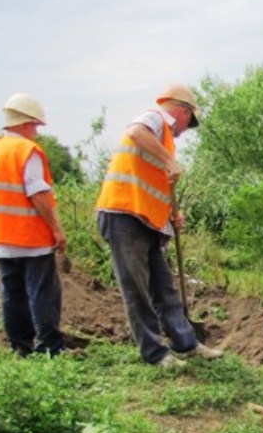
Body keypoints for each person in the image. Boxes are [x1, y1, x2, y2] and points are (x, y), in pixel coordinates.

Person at [95, 84, 222, 368]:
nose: (186, 129)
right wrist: (169, 161)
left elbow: (150, 188)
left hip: (145, 221)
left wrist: (169, 218)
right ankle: (154, 354)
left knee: (163, 287)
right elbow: (134, 132)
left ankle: (185, 344)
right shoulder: (155, 118)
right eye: (189, 121)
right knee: (136, 289)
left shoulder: (164, 140)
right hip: (122, 215)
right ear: (183, 110)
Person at [0, 93, 67, 356]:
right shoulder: (27, 151)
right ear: (24, 124)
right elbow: (38, 194)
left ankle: (20, 347)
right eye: (34, 125)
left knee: (12, 296)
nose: (36, 131)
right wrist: (56, 228)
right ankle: (50, 347)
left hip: (1, 239)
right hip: (31, 239)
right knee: (43, 293)